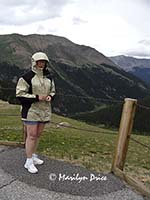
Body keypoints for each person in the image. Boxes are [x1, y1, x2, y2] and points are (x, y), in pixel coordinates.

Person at [16, 52, 56, 174]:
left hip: (44, 111)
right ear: (34, 62)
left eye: (44, 62)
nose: (41, 64)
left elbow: (53, 91)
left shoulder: (48, 77)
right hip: (31, 111)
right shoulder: (26, 77)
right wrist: (37, 97)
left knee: (38, 135)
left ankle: (32, 155)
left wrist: (50, 96)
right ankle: (28, 161)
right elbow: (20, 95)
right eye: (39, 62)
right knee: (32, 135)